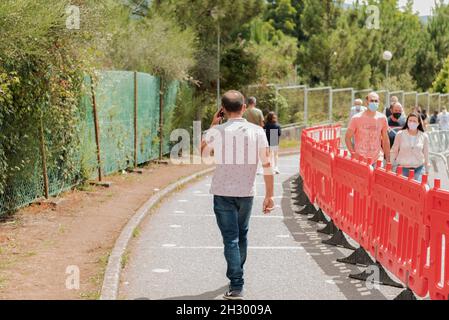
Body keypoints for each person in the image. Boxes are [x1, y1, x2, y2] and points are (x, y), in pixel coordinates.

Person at [201, 90, 275, 300]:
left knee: (231, 239)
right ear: (244, 107)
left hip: (222, 192)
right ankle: (237, 275)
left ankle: (237, 283)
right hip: (246, 193)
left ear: (222, 110)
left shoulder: (218, 131)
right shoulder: (257, 132)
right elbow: (267, 164)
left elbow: (203, 152)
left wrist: (213, 125)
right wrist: (270, 195)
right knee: (241, 235)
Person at [345, 92, 391, 166]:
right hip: (361, 159)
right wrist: (353, 154)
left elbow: (385, 139)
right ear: (367, 102)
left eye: (376, 101)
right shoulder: (356, 118)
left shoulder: (382, 118)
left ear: (379, 102)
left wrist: (388, 159)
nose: (374, 103)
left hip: (377, 159)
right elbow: (347, 138)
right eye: (371, 101)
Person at [391, 113, 430, 182]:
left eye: (414, 121)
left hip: (419, 168)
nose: (412, 123)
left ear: (418, 123)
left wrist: (427, 170)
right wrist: (390, 165)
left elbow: (426, 154)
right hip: (402, 168)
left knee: (417, 189)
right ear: (407, 122)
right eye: (410, 120)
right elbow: (394, 151)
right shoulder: (400, 134)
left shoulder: (424, 136)